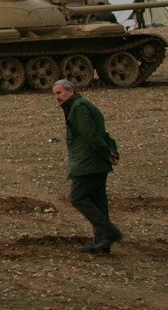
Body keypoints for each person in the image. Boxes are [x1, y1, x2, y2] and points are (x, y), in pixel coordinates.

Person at [52, 78, 122, 253]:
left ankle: (109, 232)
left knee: (77, 197)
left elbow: (91, 135)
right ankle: (102, 243)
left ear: (70, 91)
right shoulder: (79, 106)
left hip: (88, 162)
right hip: (95, 161)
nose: (57, 97)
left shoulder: (78, 108)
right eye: (55, 94)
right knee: (98, 202)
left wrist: (107, 153)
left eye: (59, 93)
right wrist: (108, 152)